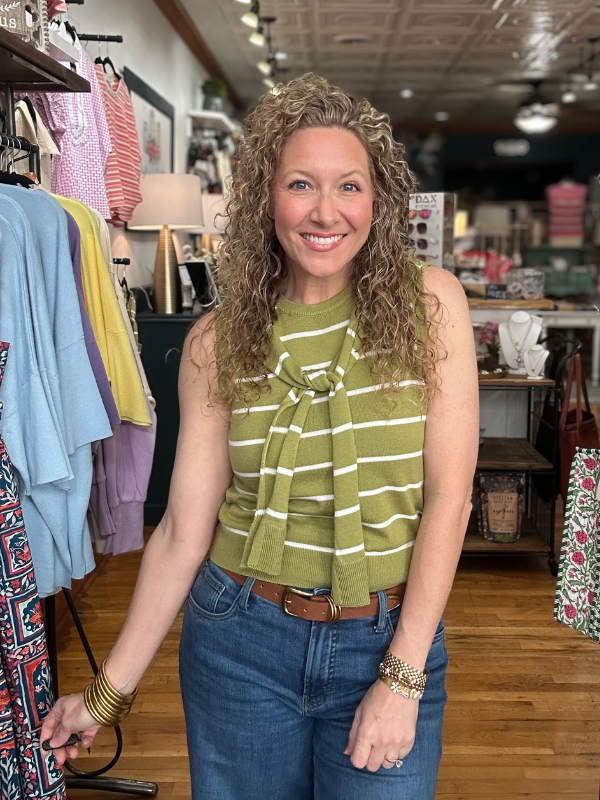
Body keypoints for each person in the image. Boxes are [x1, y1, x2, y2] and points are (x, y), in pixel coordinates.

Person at [41, 73, 479, 800]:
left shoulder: (431, 306)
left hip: (387, 637)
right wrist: (105, 695)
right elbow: (184, 529)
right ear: (265, 199)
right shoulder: (219, 341)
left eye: (349, 187)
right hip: (239, 639)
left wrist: (402, 676)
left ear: (378, 201)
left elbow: (451, 501)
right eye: (301, 184)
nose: (325, 211)